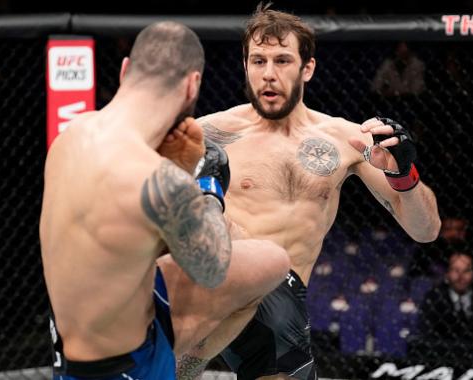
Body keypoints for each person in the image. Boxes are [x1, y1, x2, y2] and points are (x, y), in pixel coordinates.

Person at [176, 4, 441, 379]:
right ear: (246, 66)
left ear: (307, 68)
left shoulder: (347, 139)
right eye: (258, 60)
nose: (268, 74)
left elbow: (425, 230)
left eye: (282, 60)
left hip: (281, 306)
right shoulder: (207, 134)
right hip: (214, 282)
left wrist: (404, 175)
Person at [40, 21, 290, 380]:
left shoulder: (71, 135)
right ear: (192, 85)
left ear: (126, 69)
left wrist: (176, 169)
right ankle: (186, 370)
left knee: (266, 259)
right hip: (125, 368)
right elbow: (212, 268)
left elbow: (121, 225)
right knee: (274, 262)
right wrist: (206, 187)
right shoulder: (158, 180)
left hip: (80, 334)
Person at [414, 251, 473, 363]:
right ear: (447, 274)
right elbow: (426, 333)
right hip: (441, 357)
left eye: (466, 271)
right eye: (456, 270)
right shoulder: (434, 297)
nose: (460, 276)